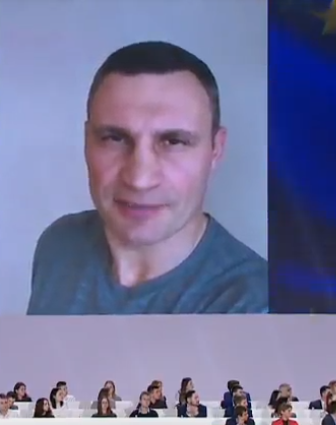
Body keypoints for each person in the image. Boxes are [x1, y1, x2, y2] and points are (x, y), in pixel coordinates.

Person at [25, 40, 269, 315]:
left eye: (174, 141)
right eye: (114, 138)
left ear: (216, 150)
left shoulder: (255, 304)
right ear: (86, 141)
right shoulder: (59, 245)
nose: (139, 179)